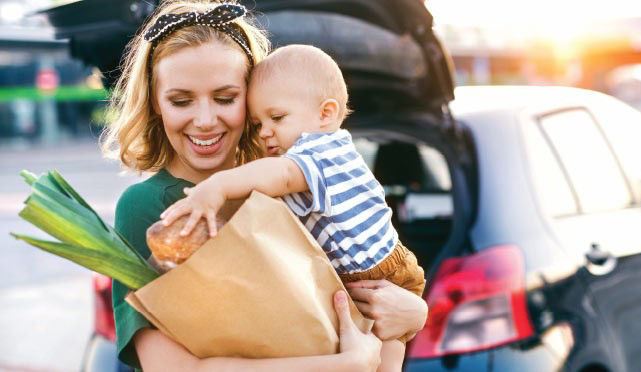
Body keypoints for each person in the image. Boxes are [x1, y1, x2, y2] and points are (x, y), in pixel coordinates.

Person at [102, 1, 427, 371]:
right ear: (156, 104)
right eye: (181, 100)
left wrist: (414, 312)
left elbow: (355, 279)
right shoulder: (147, 208)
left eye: (226, 98)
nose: (205, 120)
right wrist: (343, 365)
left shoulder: (284, 185)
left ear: (253, 98)